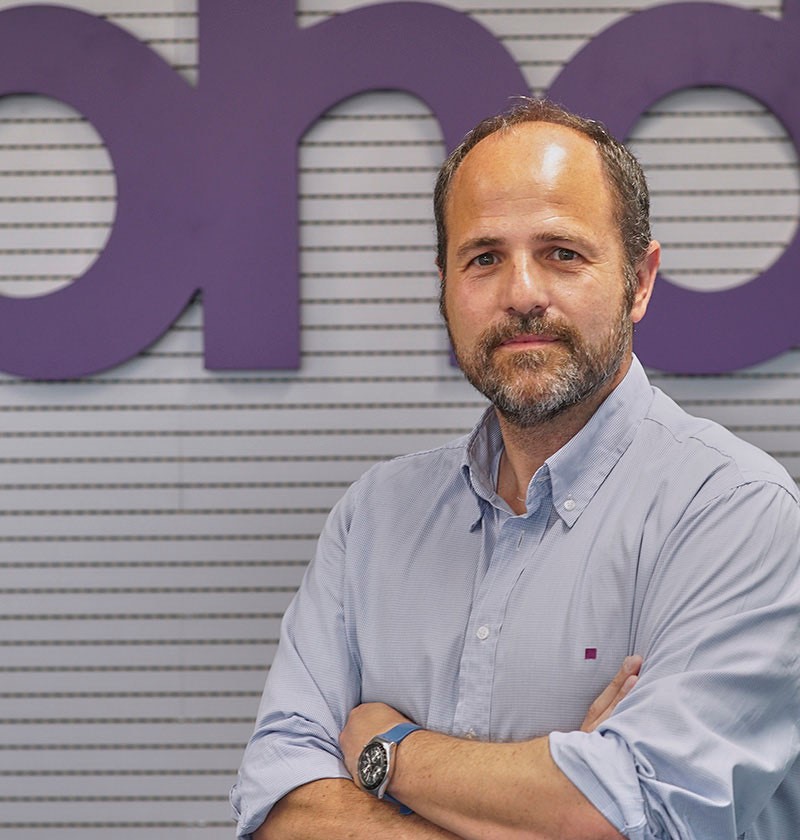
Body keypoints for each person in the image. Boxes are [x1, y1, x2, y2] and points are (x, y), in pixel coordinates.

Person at [230, 98, 800, 839]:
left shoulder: (736, 512)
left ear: (639, 280)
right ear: (444, 286)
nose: (522, 294)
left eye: (562, 253)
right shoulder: (372, 520)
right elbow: (279, 805)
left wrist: (388, 750)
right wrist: (555, 794)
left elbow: (636, 817)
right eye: (484, 258)